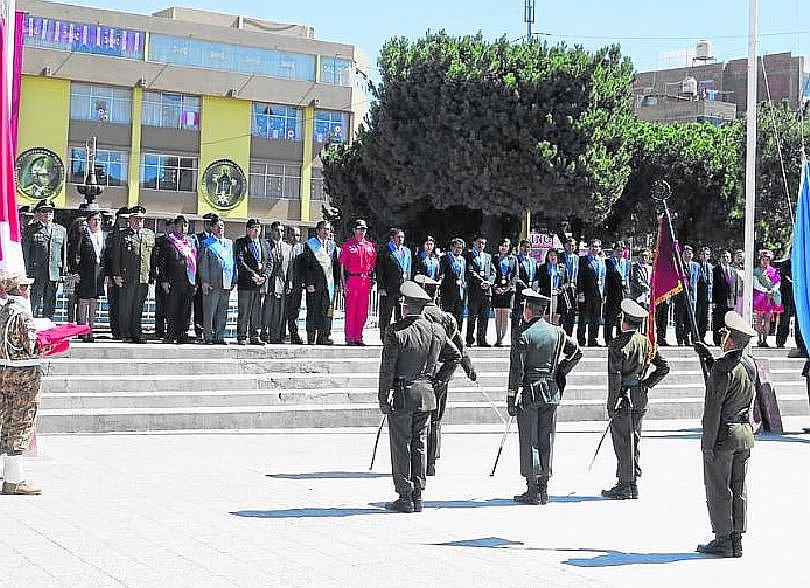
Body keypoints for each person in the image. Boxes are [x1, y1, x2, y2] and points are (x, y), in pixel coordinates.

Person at [378, 281, 460, 513]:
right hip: (426, 394)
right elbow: (454, 357)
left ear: (405, 307)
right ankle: (418, 493)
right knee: (419, 443)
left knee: (401, 444)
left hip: (404, 394)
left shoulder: (397, 331)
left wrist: (383, 398)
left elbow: (387, 368)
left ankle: (404, 495)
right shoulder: (436, 330)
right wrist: (438, 381)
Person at [507, 289, 581, 505]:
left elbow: (516, 371)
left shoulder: (523, 334)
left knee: (530, 439)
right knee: (547, 438)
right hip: (551, 389)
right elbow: (576, 353)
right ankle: (544, 488)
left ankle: (532, 488)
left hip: (530, 390)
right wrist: (560, 371)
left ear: (529, 310)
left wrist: (511, 398)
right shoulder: (557, 332)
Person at [693, 312, 758, 558]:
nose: (721, 337)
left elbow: (714, 408)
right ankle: (736, 538)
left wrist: (707, 443)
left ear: (731, 340)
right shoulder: (749, 364)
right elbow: (735, 383)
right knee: (738, 487)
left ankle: (722, 538)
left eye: (724, 334)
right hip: (743, 434)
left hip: (723, 436)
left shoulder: (722, 368)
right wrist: (709, 360)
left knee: (719, 488)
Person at [601, 299, 670, 500]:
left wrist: (611, 403)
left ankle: (624, 484)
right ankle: (632, 483)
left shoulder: (617, 344)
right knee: (635, 440)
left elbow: (614, 377)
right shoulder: (646, 342)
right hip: (639, 397)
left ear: (624, 320)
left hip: (623, 397)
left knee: (623, 441)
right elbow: (664, 367)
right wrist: (646, 383)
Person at [413, 275, 477, 477]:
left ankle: (419, 462)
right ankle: (431, 462)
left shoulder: (418, 316)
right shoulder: (447, 318)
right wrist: (469, 369)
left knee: (419, 420)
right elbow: (460, 348)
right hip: (442, 372)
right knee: (436, 418)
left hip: (421, 372)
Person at [0, 274, 44, 495]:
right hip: (23, 377)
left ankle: (9, 473)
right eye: (26, 286)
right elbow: (32, 346)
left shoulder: (4, 310)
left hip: (5, 372)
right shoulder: (22, 314)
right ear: (22, 289)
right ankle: (14, 480)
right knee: (22, 421)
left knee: (6, 422)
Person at [110, 206, 155, 344]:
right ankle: (125, 333)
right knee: (126, 306)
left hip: (143, 277)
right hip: (127, 276)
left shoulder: (149, 234)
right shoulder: (122, 234)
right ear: (130, 220)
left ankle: (137, 332)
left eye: (141, 219)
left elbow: (151, 257)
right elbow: (116, 256)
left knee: (138, 307)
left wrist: (152, 274)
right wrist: (116, 274)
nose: (138, 221)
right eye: (136, 219)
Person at [21, 199, 67, 319]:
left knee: (50, 303)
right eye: (44, 211)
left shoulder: (61, 230)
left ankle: (47, 327)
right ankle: (32, 327)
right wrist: (25, 273)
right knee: (34, 302)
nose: (47, 214)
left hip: (53, 272)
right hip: (36, 272)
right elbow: (26, 253)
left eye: (50, 211)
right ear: (39, 213)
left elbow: (63, 253)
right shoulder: (31, 230)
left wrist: (62, 273)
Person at [156, 215, 197, 344]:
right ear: (175, 226)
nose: (183, 228)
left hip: (189, 280)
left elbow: (196, 261)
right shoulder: (169, 241)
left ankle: (182, 334)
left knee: (186, 309)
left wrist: (196, 280)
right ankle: (170, 333)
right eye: (180, 225)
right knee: (172, 308)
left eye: (185, 225)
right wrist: (164, 280)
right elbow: (163, 262)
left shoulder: (191, 241)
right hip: (173, 280)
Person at [197, 218, 235, 345]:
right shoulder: (207, 243)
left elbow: (232, 263)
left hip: (226, 282)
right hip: (212, 282)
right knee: (209, 311)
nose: (220, 229)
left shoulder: (229, 243)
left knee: (222, 311)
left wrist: (234, 279)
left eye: (222, 226)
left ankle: (220, 335)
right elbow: (203, 264)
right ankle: (208, 336)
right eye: (218, 226)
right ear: (212, 229)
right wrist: (205, 281)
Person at [302, 220, 340, 345]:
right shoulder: (310, 244)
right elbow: (306, 266)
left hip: (328, 285)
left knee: (327, 311)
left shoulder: (332, 245)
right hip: (314, 284)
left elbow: (335, 267)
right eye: (323, 229)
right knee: (313, 310)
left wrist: (336, 284)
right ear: (318, 231)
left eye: (328, 229)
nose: (326, 231)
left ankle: (324, 336)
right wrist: (309, 283)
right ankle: (311, 336)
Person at [339, 219, 377, 346]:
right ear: (354, 230)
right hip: (352, 280)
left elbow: (372, 265)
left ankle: (359, 336)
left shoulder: (370, 246)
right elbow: (342, 267)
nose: (362, 231)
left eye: (364, 229)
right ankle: (350, 337)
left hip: (365, 281)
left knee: (363, 310)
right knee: (351, 310)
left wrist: (372, 281)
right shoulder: (348, 246)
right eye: (359, 229)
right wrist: (343, 284)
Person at [234, 219, 271, 345]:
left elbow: (269, 262)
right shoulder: (241, 243)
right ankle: (242, 335)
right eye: (254, 228)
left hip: (260, 284)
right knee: (244, 311)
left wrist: (265, 276)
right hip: (246, 283)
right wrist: (252, 274)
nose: (257, 231)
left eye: (258, 228)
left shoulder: (264, 243)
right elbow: (240, 261)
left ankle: (255, 335)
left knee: (257, 312)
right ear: (248, 230)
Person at [73, 210, 107, 342]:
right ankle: (82, 331)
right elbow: (74, 253)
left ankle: (91, 331)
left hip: (98, 273)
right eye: (94, 219)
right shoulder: (83, 234)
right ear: (89, 221)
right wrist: (75, 272)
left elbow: (106, 256)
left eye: (98, 220)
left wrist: (107, 274)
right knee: (83, 301)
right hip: (84, 272)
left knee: (93, 301)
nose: (97, 222)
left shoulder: (103, 235)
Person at [377, 227, 412, 337]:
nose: (401, 239)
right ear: (392, 238)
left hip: (402, 287)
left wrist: (408, 285)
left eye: (403, 237)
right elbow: (379, 269)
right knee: (386, 313)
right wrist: (381, 287)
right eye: (399, 237)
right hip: (388, 287)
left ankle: (399, 336)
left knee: (400, 313)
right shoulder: (385, 250)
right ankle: (384, 336)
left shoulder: (407, 251)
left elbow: (408, 269)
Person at [262, 221, 293, 344]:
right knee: (267, 311)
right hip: (269, 283)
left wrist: (289, 282)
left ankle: (275, 335)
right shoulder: (265, 245)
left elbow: (290, 267)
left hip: (282, 283)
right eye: (277, 230)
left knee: (279, 312)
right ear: (272, 231)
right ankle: (264, 333)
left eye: (282, 231)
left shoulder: (287, 247)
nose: (279, 233)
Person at [191, 213, 219, 342]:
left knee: (214, 307)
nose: (209, 226)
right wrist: (197, 280)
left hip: (216, 280)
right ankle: (199, 331)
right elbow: (195, 260)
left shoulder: (219, 240)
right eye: (207, 223)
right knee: (199, 306)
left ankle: (212, 331)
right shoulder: (197, 238)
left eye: (212, 224)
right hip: (201, 279)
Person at [103, 207, 129, 339]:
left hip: (126, 275)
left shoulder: (128, 234)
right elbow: (106, 255)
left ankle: (124, 330)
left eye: (126, 219)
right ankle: (116, 331)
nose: (124, 221)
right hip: (113, 275)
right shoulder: (111, 234)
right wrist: (108, 275)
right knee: (114, 304)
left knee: (125, 305)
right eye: (122, 218)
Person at [465, 236, 494, 346]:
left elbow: (493, 272)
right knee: (472, 316)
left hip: (486, 291)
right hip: (475, 290)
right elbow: (470, 270)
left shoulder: (488, 257)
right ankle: (470, 339)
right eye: (478, 243)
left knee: (484, 317)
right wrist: (481, 282)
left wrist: (489, 282)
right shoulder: (470, 255)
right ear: (474, 243)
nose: (480, 245)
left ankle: (482, 339)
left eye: (482, 243)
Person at [577, 239, 606, 347]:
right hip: (586, 293)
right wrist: (580, 292)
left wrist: (604, 293)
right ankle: (581, 339)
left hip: (598, 294)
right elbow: (580, 277)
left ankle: (593, 339)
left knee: (596, 318)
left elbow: (604, 277)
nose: (595, 249)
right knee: (584, 317)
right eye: (593, 246)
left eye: (597, 247)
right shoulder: (584, 260)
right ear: (589, 248)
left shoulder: (602, 260)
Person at [752, 249, 783, 348]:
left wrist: (772, 290)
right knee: (758, 319)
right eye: (763, 259)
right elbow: (755, 284)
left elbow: (778, 282)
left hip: (769, 298)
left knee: (767, 320)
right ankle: (759, 338)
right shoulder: (756, 271)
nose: (765, 262)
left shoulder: (773, 271)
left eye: (767, 260)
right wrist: (766, 290)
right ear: (760, 260)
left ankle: (765, 339)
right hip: (759, 297)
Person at [712, 251, 743, 346]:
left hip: (730, 301)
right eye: (723, 256)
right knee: (718, 321)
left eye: (727, 257)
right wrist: (713, 301)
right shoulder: (716, 270)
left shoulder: (733, 271)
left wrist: (734, 300)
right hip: (719, 300)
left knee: (728, 322)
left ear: (729, 259)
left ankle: (726, 341)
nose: (725, 258)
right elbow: (714, 286)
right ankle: (717, 341)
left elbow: (734, 286)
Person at [491, 238, 517, 346]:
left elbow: (515, 275)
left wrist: (509, 287)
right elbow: (492, 272)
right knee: (498, 314)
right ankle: (497, 338)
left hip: (508, 289)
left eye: (506, 245)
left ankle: (502, 338)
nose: (504, 247)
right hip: (497, 289)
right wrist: (495, 287)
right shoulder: (495, 258)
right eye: (502, 245)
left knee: (505, 314)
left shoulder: (513, 259)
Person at [604, 242, 630, 344]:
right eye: (618, 250)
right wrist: (605, 293)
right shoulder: (608, 262)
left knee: (622, 317)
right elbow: (606, 278)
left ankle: (620, 338)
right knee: (610, 317)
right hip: (612, 292)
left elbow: (627, 277)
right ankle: (608, 339)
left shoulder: (626, 263)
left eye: (622, 250)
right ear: (614, 251)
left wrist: (627, 291)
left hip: (622, 292)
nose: (620, 252)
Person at [674, 245, 700, 346]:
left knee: (689, 320)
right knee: (680, 320)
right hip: (681, 297)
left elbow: (696, 280)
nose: (688, 255)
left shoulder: (696, 266)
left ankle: (687, 337)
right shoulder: (678, 265)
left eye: (689, 253)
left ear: (692, 255)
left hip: (692, 297)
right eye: (685, 253)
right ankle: (680, 340)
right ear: (682, 254)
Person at [439, 238, 466, 331]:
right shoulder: (445, 258)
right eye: (457, 247)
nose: (459, 250)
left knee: (459, 316)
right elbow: (442, 274)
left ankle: (458, 338)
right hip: (448, 292)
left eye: (461, 248)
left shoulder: (462, 259)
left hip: (460, 292)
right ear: (451, 247)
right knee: (448, 317)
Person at [537, 247, 569, 326]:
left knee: (556, 316)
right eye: (551, 255)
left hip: (558, 295)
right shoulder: (542, 267)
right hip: (546, 294)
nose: (553, 257)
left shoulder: (562, 268)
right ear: (548, 256)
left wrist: (560, 290)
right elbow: (540, 282)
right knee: (546, 315)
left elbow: (566, 283)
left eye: (555, 255)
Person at [286, 227, 306, 345]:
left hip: (297, 285)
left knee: (295, 311)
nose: (295, 237)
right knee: (282, 311)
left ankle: (294, 334)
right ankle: (279, 334)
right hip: (284, 285)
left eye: (298, 235)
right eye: (293, 235)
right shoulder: (285, 247)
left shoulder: (302, 249)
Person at [513, 239, 539, 330]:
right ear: (520, 248)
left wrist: (534, 288)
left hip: (531, 293)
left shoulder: (533, 261)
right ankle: (515, 340)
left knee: (529, 316)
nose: (527, 249)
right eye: (525, 246)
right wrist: (524, 287)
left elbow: (536, 277)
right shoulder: (516, 259)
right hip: (520, 292)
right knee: (517, 316)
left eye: (529, 247)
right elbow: (516, 276)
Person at [560, 238, 580, 337]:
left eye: (573, 245)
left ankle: (569, 335)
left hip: (573, 288)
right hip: (563, 288)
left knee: (571, 313)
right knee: (562, 312)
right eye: (569, 245)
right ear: (565, 246)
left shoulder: (577, 258)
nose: (571, 247)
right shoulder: (560, 257)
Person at [695, 247, 714, 344]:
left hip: (707, 295)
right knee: (697, 316)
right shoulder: (697, 265)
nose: (704, 256)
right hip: (698, 294)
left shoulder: (710, 267)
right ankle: (696, 337)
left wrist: (711, 297)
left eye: (706, 254)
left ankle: (702, 337)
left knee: (704, 318)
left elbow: (711, 283)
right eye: (702, 254)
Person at [414, 235, 441, 299]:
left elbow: (439, 272)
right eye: (427, 244)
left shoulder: (436, 258)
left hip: (433, 286)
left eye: (431, 244)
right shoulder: (419, 257)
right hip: (422, 286)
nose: (429, 247)